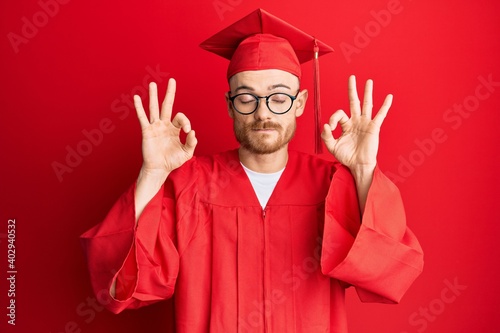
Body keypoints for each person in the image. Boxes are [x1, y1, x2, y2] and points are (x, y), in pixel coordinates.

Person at [81, 8, 423, 333]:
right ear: (230, 105)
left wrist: (364, 171)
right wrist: (152, 175)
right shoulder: (191, 184)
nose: (263, 113)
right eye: (247, 98)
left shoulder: (331, 183)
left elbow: (389, 272)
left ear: (300, 103)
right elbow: (121, 287)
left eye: (278, 97)